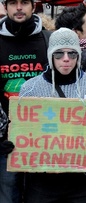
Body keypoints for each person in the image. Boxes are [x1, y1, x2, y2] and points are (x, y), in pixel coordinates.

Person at [17, 27, 86, 203]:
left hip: (81, 178)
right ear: (50, 55)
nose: (66, 59)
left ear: (78, 55)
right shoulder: (30, 88)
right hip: (43, 180)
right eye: (59, 54)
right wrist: (14, 144)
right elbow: (21, 127)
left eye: (72, 54)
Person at [0, 0, 52, 202]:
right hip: (6, 142)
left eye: (24, 2)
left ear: (33, 6)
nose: (19, 7)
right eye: (13, 2)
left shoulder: (48, 40)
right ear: (5, 6)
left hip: (45, 139)